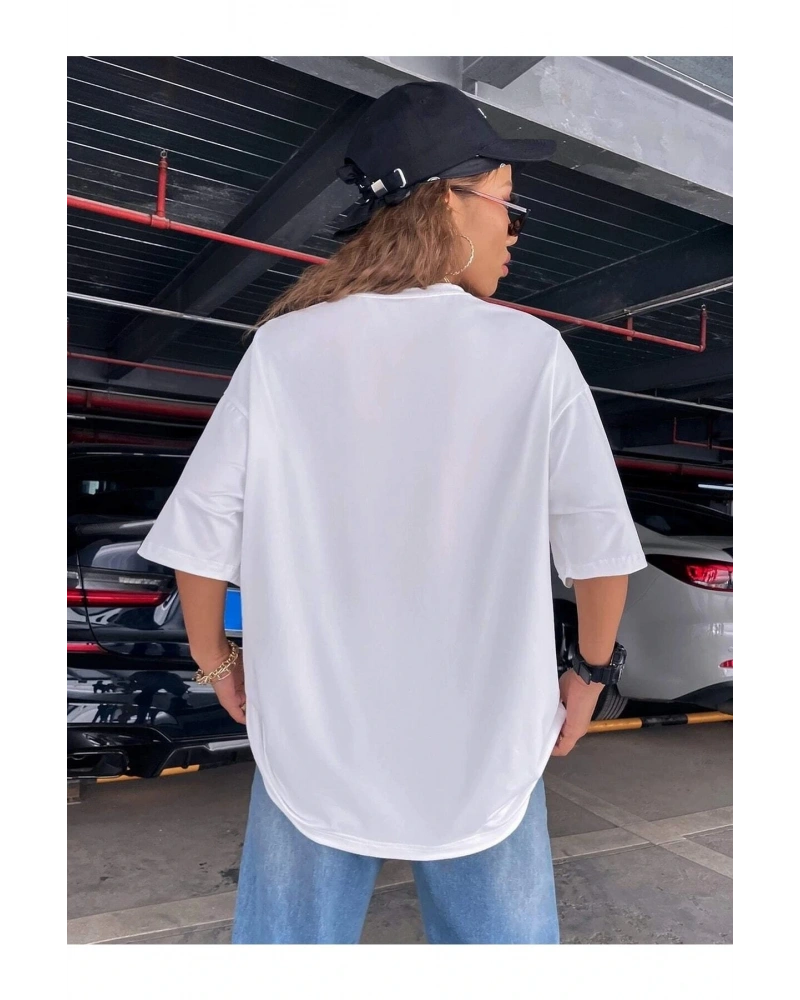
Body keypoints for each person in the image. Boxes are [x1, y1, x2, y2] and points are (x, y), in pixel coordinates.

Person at [137, 81, 647, 945]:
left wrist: (217, 663)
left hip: (313, 740)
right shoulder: (533, 355)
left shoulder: (283, 350)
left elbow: (203, 538)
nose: (514, 231)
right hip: (484, 746)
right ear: (445, 201)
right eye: (507, 204)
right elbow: (598, 550)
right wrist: (589, 676)